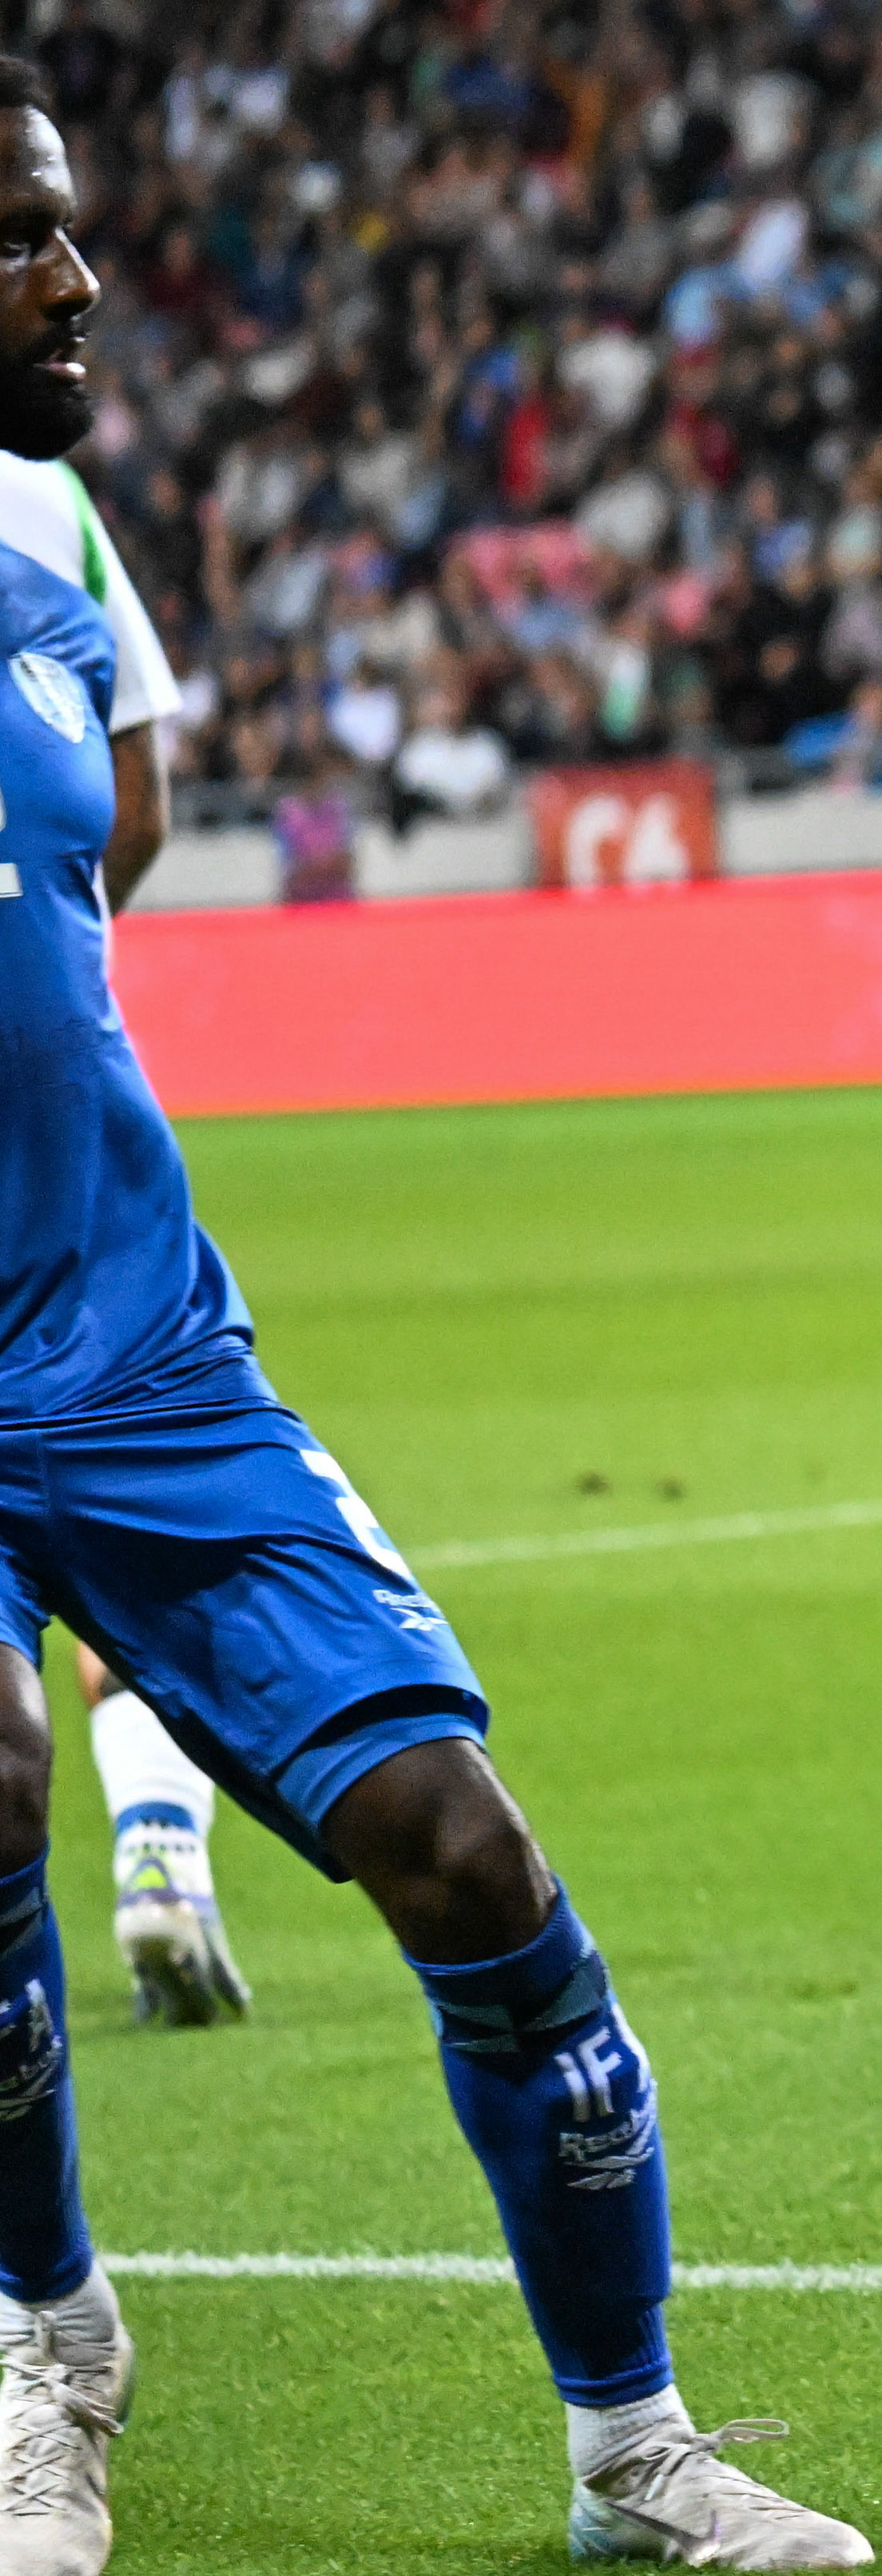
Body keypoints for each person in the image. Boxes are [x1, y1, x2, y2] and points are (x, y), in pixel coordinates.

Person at [0, 54, 869, 2572]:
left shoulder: (49, 535)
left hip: (141, 1347)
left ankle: (633, 2454)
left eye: (65, 227)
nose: (73, 278)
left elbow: (108, 840)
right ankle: (45, 2345)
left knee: (465, 1855)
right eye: (19, 240)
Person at [0, 427, 243, 2030]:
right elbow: (138, 786)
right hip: (68, 1131)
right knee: (120, 1466)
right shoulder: (56, 503)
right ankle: (158, 1836)